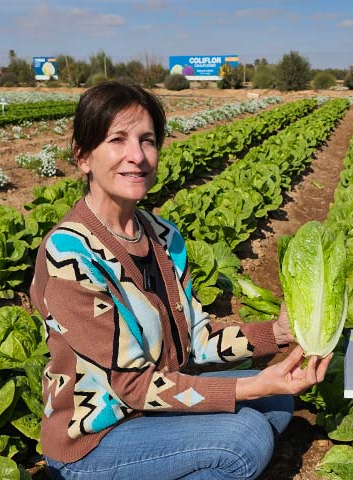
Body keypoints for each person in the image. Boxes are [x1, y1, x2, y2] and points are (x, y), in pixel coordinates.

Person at [29, 81, 333, 480]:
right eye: (117, 140)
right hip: (96, 440)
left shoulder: (162, 236)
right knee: (246, 439)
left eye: (148, 140)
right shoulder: (69, 255)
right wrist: (248, 387)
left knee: (277, 401)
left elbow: (198, 341)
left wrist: (275, 333)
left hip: (153, 407)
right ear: (83, 156)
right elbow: (134, 388)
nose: (136, 156)